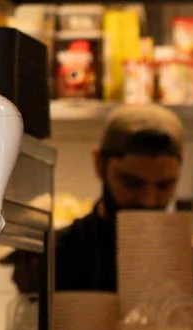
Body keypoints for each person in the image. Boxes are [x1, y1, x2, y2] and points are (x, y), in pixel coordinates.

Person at [52, 104, 185, 292]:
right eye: (132, 183)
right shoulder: (59, 254)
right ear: (99, 164)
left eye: (164, 185)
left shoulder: (190, 262)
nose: (148, 200)